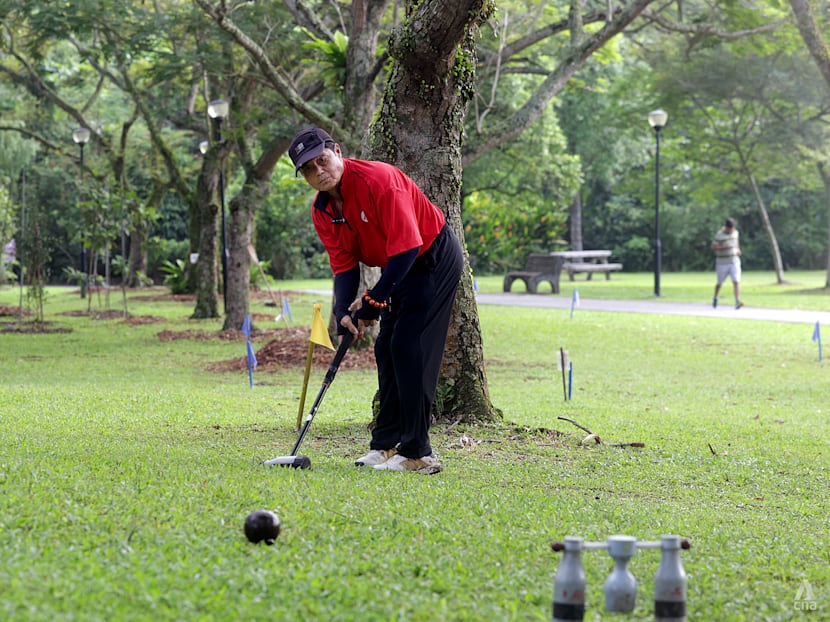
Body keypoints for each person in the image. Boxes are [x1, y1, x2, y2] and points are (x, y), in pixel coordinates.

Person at [288, 127, 464, 475]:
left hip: (430, 257)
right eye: (308, 169)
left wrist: (373, 300)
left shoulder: (379, 180)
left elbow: (408, 247)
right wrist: (343, 313)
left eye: (322, 160)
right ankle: (386, 445)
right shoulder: (323, 210)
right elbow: (344, 267)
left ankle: (418, 453)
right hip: (398, 267)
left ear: (336, 151)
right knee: (386, 348)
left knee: (408, 346)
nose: (318, 171)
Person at [711, 217, 743, 309]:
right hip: (722, 262)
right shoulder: (719, 235)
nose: (730, 231)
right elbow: (713, 247)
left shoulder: (736, 233)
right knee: (720, 283)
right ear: (725, 227)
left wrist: (738, 250)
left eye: (732, 229)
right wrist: (724, 248)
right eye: (729, 229)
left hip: (734, 261)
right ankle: (715, 297)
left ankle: (737, 301)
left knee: (736, 281)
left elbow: (736, 243)